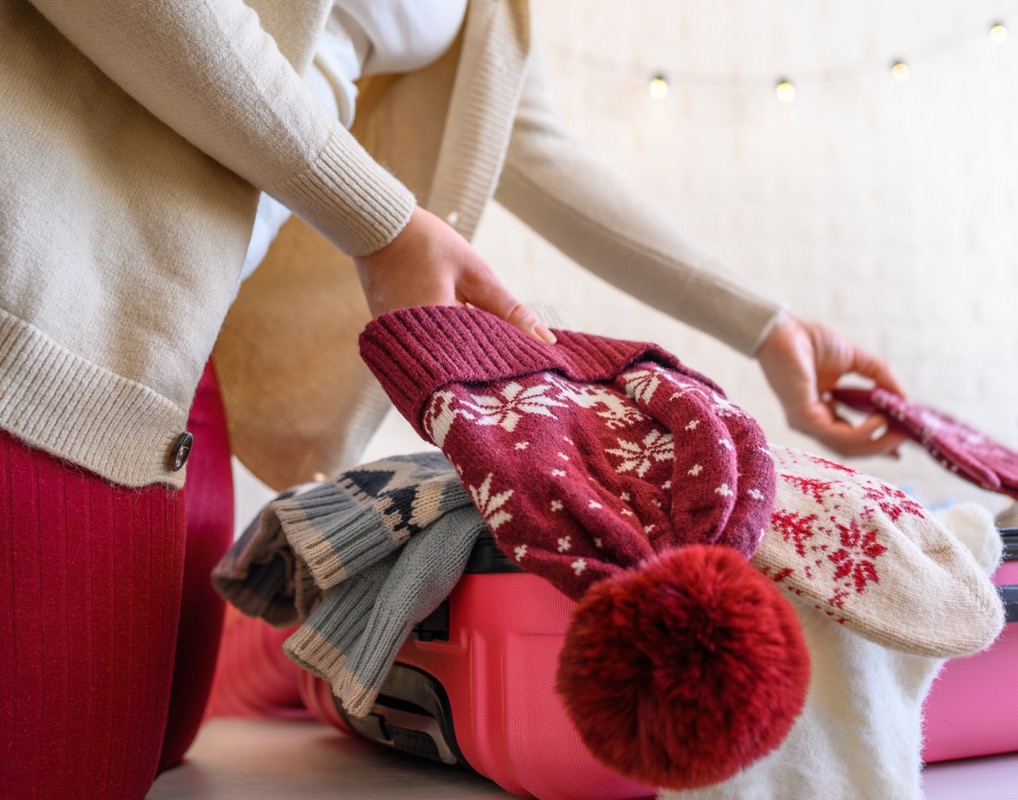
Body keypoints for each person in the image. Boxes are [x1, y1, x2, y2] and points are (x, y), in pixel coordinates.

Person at [0, 1, 903, 798]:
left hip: (168, 339)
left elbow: (538, 148)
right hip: (37, 293)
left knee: (159, 756)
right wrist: (377, 219)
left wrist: (765, 325)